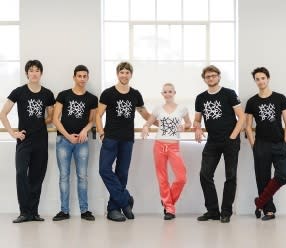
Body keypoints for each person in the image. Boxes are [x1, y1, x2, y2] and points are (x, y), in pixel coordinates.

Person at [0, 60, 55, 223]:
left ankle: (33, 212)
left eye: (37, 70)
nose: (34, 73)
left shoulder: (47, 93)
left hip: (41, 140)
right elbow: (3, 113)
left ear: (41, 73)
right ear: (27, 74)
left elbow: (51, 116)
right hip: (24, 141)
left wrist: (39, 124)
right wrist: (12, 133)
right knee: (21, 173)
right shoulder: (18, 92)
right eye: (31, 70)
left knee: (37, 176)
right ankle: (24, 212)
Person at [96, 61, 151, 222]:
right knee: (104, 169)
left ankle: (113, 209)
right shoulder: (108, 93)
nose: (124, 75)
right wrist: (101, 134)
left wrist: (163, 124)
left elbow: (145, 115)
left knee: (122, 173)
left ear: (131, 75)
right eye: (122, 72)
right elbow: (98, 115)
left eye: (127, 72)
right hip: (110, 138)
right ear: (117, 74)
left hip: (127, 139)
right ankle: (125, 199)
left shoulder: (135, 94)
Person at [194, 65, 245, 223]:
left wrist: (232, 137)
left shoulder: (229, 94)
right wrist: (197, 128)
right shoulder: (201, 98)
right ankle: (213, 211)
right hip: (212, 142)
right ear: (204, 79)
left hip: (230, 140)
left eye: (213, 75)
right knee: (205, 175)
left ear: (218, 77)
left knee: (230, 176)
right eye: (208, 76)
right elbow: (197, 119)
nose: (211, 78)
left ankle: (226, 212)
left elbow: (241, 117)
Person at [52, 65, 98, 221]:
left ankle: (84, 210)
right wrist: (67, 136)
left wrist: (85, 129)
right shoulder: (63, 95)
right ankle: (64, 211)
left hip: (82, 142)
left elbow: (92, 120)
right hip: (64, 140)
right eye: (79, 76)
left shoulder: (92, 98)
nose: (82, 79)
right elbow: (55, 119)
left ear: (88, 78)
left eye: (85, 76)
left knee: (82, 176)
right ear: (74, 77)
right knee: (64, 176)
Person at [245, 67, 286, 221]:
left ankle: (260, 201)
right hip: (261, 145)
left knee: (283, 175)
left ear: (268, 78)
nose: (260, 81)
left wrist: (285, 142)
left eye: (263, 78)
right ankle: (268, 211)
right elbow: (247, 125)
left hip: (279, 143)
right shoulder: (252, 101)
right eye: (257, 79)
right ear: (255, 81)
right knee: (262, 178)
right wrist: (253, 144)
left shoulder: (280, 98)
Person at [141, 83, 191, 220]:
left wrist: (184, 127)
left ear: (174, 92)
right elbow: (149, 122)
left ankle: (168, 201)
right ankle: (169, 208)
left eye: (170, 91)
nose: (168, 94)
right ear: (162, 94)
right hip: (159, 145)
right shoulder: (158, 109)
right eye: (165, 92)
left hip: (174, 146)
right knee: (162, 178)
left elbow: (188, 123)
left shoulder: (182, 108)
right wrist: (145, 127)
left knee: (181, 178)